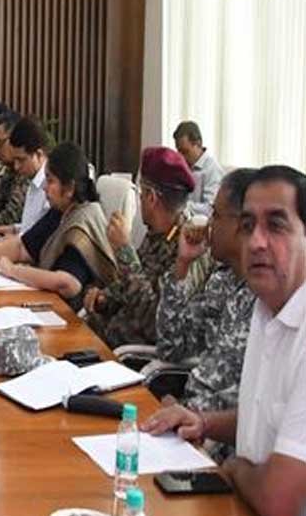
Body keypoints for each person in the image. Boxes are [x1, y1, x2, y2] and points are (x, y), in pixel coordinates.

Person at [143, 165, 306, 516]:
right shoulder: (266, 308)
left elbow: (279, 500)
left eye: (276, 225)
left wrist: (234, 469)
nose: (257, 241)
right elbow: (263, 415)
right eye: (248, 226)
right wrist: (203, 422)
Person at [154, 168, 257, 461]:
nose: (209, 224)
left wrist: (190, 416)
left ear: (243, 224)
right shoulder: (222, 280)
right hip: (186, 423)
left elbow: (249, 407)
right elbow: (172, 345)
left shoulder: (268, 299)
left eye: (217, 215)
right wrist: (182, 265)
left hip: (217, 447)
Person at [85, 147, 209, 348]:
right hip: (104, 337)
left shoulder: (188, 246)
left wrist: (124, 251)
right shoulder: (157, 232)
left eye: (141, 194)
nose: (139, 199)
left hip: (128, 355)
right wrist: (104, 298)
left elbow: (154, 321)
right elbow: (135, 283)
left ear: (151, 197)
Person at [0, 142, 117, 308]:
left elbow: (68, 284)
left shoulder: (83, 222)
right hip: (51, 303)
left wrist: (12, 270)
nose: (44, 187)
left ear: (69, 188)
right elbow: (23, 247)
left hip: (74, 315)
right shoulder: (61, 210)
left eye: (50, 181)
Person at [0, 116, 51, 238]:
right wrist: (15, 229)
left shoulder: (51, 186)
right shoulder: (33, 180)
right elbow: (33, 226)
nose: (16, 166)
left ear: (39, 154)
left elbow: (44, 237)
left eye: (21, 160)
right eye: (15, 160)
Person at [173, 120, 224, 216]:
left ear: (198, 144)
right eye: (179, 151)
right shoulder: (181, 166)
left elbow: (210, 208)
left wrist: (183, 206)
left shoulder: (212, 169)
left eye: (185, 151)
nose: (181, 157)